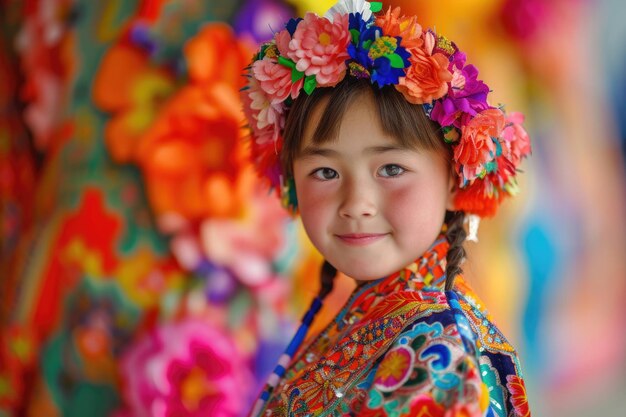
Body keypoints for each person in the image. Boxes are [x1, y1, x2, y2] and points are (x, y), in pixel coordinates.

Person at [241, 0, 532, 415]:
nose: (356, 204)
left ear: (454, 181)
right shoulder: (369, 316)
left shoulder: (441, 355)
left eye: (391, 168)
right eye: (325, 172)